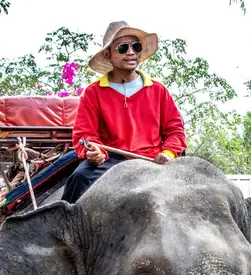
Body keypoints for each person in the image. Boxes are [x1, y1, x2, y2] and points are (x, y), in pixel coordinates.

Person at [62, 21, 187, 203]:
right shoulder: (93, 92)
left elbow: (175, 130)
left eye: (135, 47)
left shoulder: (158, 90)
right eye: (122, 48)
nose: (131, 52)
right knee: (79, 178)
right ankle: (66, 230)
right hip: (109, 161)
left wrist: (168, 153)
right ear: (107, 54)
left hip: (152, 160)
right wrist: (96, 151)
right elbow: (85, 133)